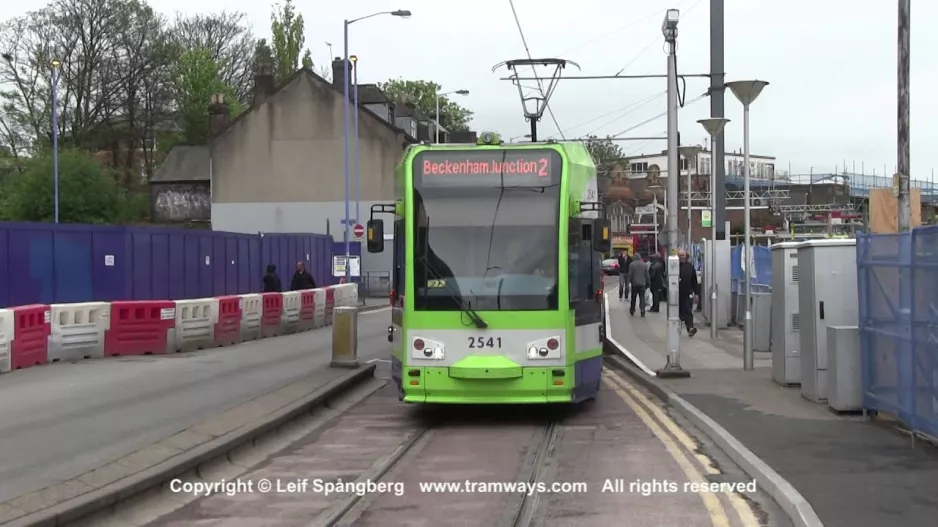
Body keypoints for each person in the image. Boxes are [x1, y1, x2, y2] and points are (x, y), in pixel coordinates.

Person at [677, 248, 699, 337]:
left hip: (688, 292)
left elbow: (694, 280)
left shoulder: (690, 267)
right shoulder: (674, 266)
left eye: (683, 255)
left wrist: (696, 293)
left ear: (686, 256)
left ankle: (690, 328)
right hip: (677, 293)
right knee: (678, 312)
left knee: (687, 310)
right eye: (680, 255)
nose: (682, 257)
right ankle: (677, 328)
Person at [627, 251, 650, 317]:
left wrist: (628, 283)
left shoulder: (632, 264)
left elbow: (630, 275)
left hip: (634, 284)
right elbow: (647, 275)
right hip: (642, 284)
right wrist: (648, 283)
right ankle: (642, 310)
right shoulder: (644, 264)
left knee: (633, 298)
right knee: (642, 297)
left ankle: (632, 310)